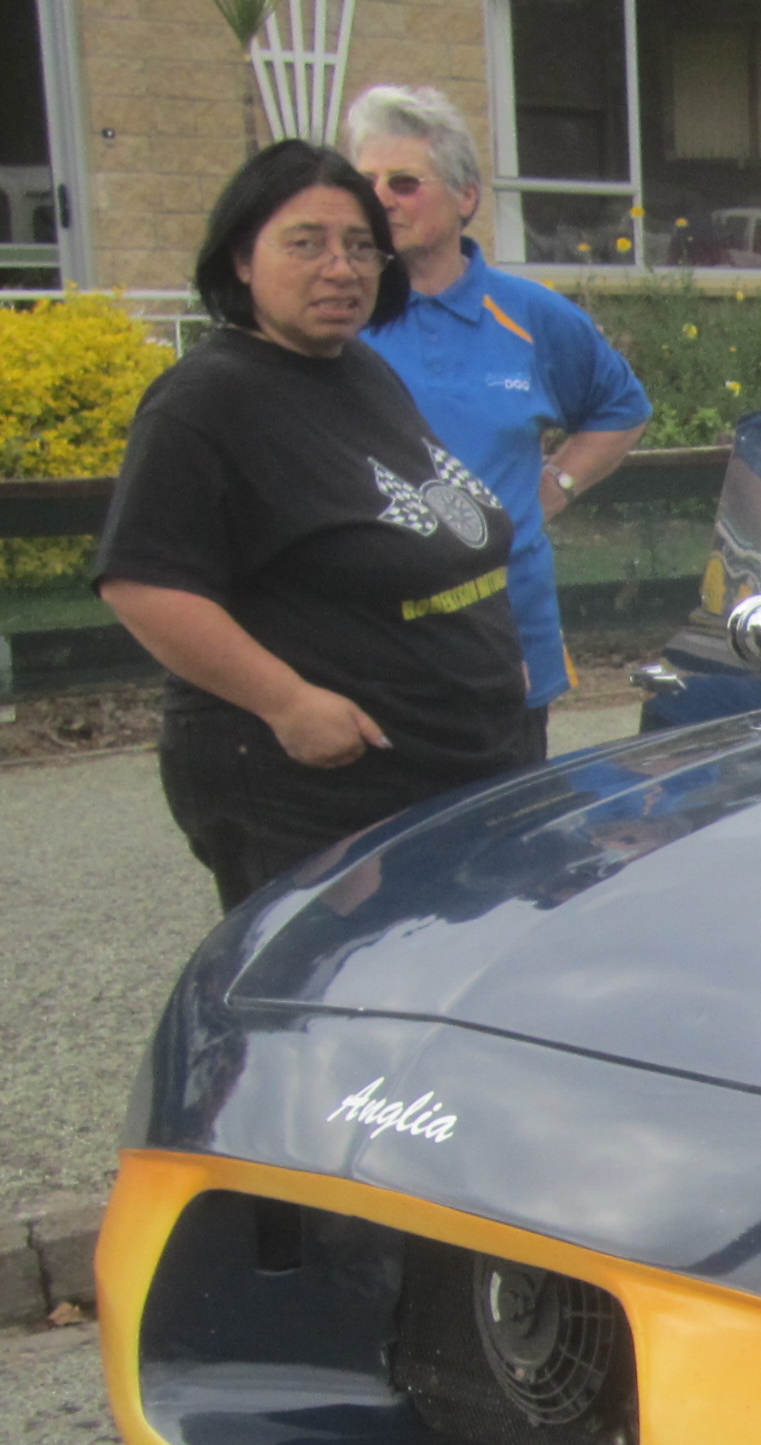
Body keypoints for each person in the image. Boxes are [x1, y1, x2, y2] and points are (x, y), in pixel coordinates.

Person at [96, 141, 538, 913]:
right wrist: (288, 703)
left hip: (451, 763)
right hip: (318, 792)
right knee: (343, 1004)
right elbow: (144, 583)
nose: (341, 268)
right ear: (241, 259)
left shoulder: (358, 370)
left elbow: (429, 524)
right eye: (306, 244)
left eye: (362, 247)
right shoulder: (206, 403)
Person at [345, 84, 650, 750]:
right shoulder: (338, 313)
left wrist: (552, 489)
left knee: (503, 837)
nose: (382, 198)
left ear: (466, 198)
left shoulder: (531, 315)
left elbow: (622, 407)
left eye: (404, 182)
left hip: (504, 641)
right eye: (366, 182)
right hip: (369, 652)